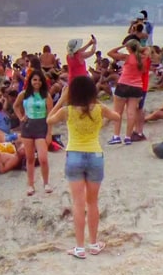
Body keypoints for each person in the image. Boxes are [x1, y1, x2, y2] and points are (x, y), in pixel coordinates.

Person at [48, 76, 120, 259]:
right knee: (92, 202)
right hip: (95, 155)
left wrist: (62, 100)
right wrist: (101, 123)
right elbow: (117, 116)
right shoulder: (98, 109)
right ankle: (94, 244)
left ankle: (80, 247)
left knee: (78, 203)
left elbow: (49, 120)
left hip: (74, 155)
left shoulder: (68, 111)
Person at [14, 70, 53, 196]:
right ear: (30, 81)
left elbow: (50, 115)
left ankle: (46, 183)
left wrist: (49, 133)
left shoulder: (46, 95)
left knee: (43, 158)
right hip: (28, 126)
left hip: (41, 126)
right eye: (35, 80)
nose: (37, 82)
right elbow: (15, 106)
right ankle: (30, 184)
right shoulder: (24, 94)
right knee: (30, 158)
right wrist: (21, 117)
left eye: (39, 80)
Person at [107, 40, 146, 145]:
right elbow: (144, 70)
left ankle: (116, 136)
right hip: (137, 86)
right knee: (131, 112)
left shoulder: (127, 57)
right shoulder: (143, 58)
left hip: (124, 84)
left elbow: (110, 53)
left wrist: (122, 45)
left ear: (129, 47)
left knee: (118, 112)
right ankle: (128, 137)